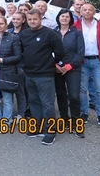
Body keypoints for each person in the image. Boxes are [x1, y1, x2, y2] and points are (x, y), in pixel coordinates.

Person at [20, 9, 65, 145]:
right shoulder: (24, 34)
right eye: (30, 19)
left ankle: (50, 131)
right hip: (29, 74)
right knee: (33, 102)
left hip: (45, 75)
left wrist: (49, 63)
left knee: (47, 103)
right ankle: (38, 128)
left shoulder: (51, 34)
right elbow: (22, 51)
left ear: (40, 19)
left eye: (35, 19)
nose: (32, 22)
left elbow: (60, 52)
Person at [74, 3, 100, 126]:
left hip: (98, 61)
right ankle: (84, 113)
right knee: (82, 89)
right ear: (80, 12)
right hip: (82, 62)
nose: (87, 12)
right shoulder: (75, 26)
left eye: (90, 10)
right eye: (84, 9)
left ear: (94, 12)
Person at [53, 9, 85, 137]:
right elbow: (48, 50)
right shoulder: (52, 33)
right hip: (56, 68)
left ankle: (77, 124)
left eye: (67, 16)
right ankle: (64, 120)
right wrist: (54, 65)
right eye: (62, 16)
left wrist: (69, 66)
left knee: (74, 96)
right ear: (58, 18)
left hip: (73, 68)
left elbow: (80, 52)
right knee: (61, 96)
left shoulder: (77, 33)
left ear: (70, 19)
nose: (64, 18)